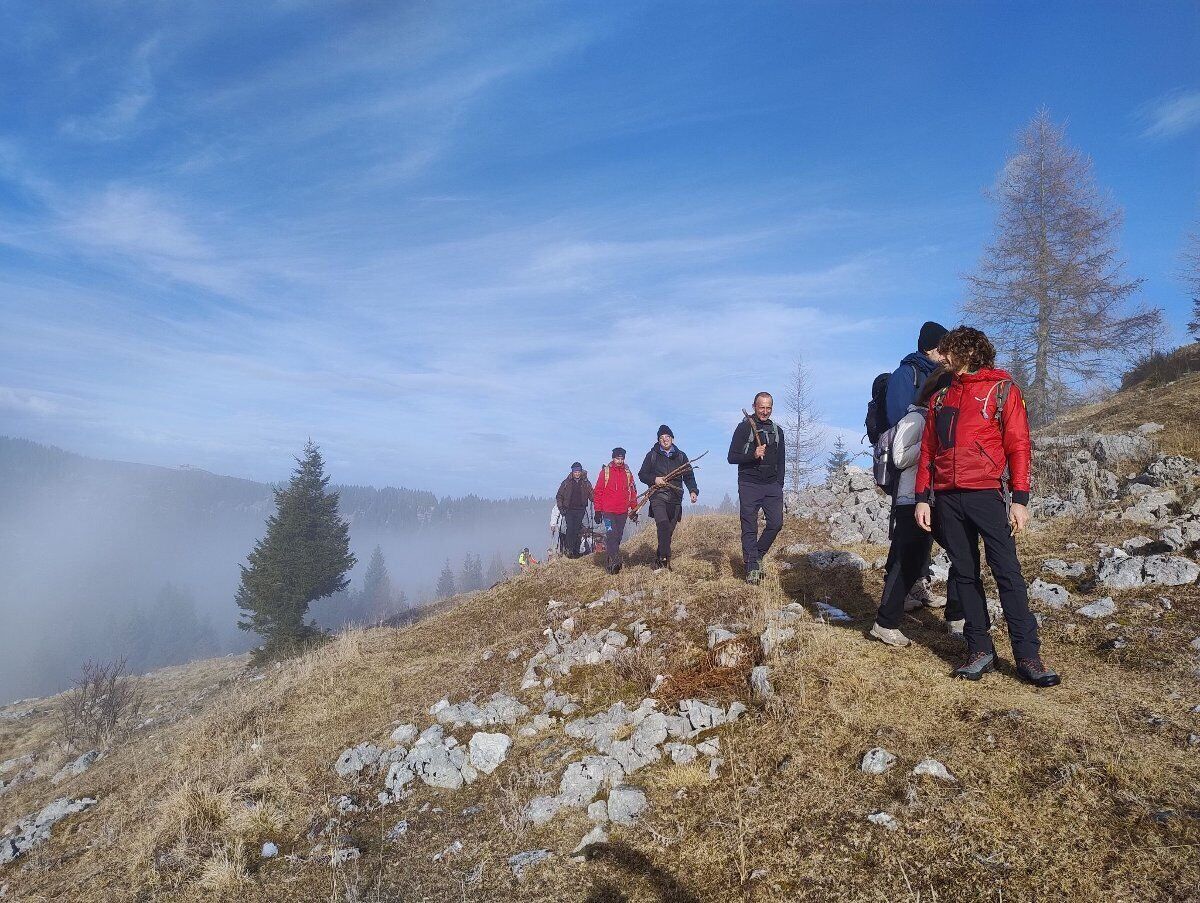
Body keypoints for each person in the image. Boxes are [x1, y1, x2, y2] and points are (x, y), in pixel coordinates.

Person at [914, 326, 1060, 687]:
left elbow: (1019, 445)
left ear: (967, 352)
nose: (943, 357)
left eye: (948, 350)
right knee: (964, 574)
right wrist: (922, 498)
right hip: (947, 498)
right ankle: (979, 650)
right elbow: (928, 451)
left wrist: (1020, 500)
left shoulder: (1002, 389)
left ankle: (1028, 656)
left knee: (1007, 573)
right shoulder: (941, 396)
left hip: (987, 494)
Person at [870, 367, 965, 646]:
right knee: (908, 562)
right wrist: (930, 445)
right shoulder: (916, 418)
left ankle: (956, 616)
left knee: (962, 554)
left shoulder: (940, 416)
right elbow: (899, 457)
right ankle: (885, 623)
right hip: (910, 499)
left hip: (934, 498)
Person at [727, 392, 786, 584]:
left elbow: (781, 460)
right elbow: (732, 457)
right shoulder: (744, 427)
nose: (765, 411)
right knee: (749, 526)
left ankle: (758, 554)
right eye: (762, 407)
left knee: (776, 524)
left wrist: (779, 484)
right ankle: (752, 567)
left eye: (769, 408)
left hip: (772, 485)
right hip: (749, 484)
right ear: (754, 406)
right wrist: (753, 454)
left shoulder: (777, 431)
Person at [637, 425, 699, 570]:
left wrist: (693, 490)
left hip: (676, 498)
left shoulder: (681, 456)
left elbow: (689, 476)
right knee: (663, 525)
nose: (665, 440)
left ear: (672, 438)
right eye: (662, 438)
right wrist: (655, 479)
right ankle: (665, 561)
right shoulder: (652, 455)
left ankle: (659, 558)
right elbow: (642, 474)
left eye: (667, 437)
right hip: (658, 496)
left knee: (668, 532)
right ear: (658, 440)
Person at [885, 321, 948, 430]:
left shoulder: (943, 375)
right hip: (910, 437)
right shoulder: (905, 373)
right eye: (942, 349)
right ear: (928, 349)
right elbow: (898, 418)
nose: (946, 354)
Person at [593, 447, 639, 574]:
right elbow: (598, 491)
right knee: (611, 534)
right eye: (617, 458)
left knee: (618, 536)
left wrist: (634, 509)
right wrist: (597, 510)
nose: (619, 461)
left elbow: (632, 492)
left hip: (622, 511)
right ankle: (614, 561)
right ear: (613, 458)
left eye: (622, 458)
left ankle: (611, 558)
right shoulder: (605, 472)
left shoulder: (628, 473)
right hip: (608, 511)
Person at [555, 462, 593, 559]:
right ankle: (569, 550)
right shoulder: (566, 482)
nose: (577, 473)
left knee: (577, 530)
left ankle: (575, 551)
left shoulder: (586, 482)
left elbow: (592, 495)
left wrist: (598, 501)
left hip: (580, 510)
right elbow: (559, 496)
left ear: (581, 471)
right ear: (572, 472)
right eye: (575, 472)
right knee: (570, 529)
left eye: (578, 471)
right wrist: (561, 508)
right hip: (569, 510)